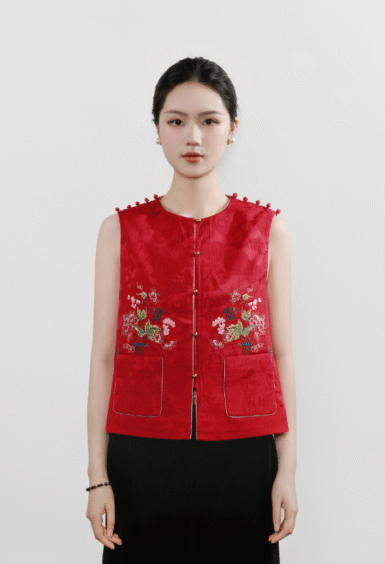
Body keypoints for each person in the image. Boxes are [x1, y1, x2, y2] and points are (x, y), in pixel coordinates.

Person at [86, 56, 298, 563]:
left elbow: (281, 355)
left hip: (244, 451)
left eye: (209, 120)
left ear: (232, 129)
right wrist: (97, 479)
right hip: (141, 449)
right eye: (176, 121)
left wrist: (287, 470)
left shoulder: (266, 231)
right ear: (157, 129)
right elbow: (104, 357)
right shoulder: (119, 232)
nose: (193, 137)